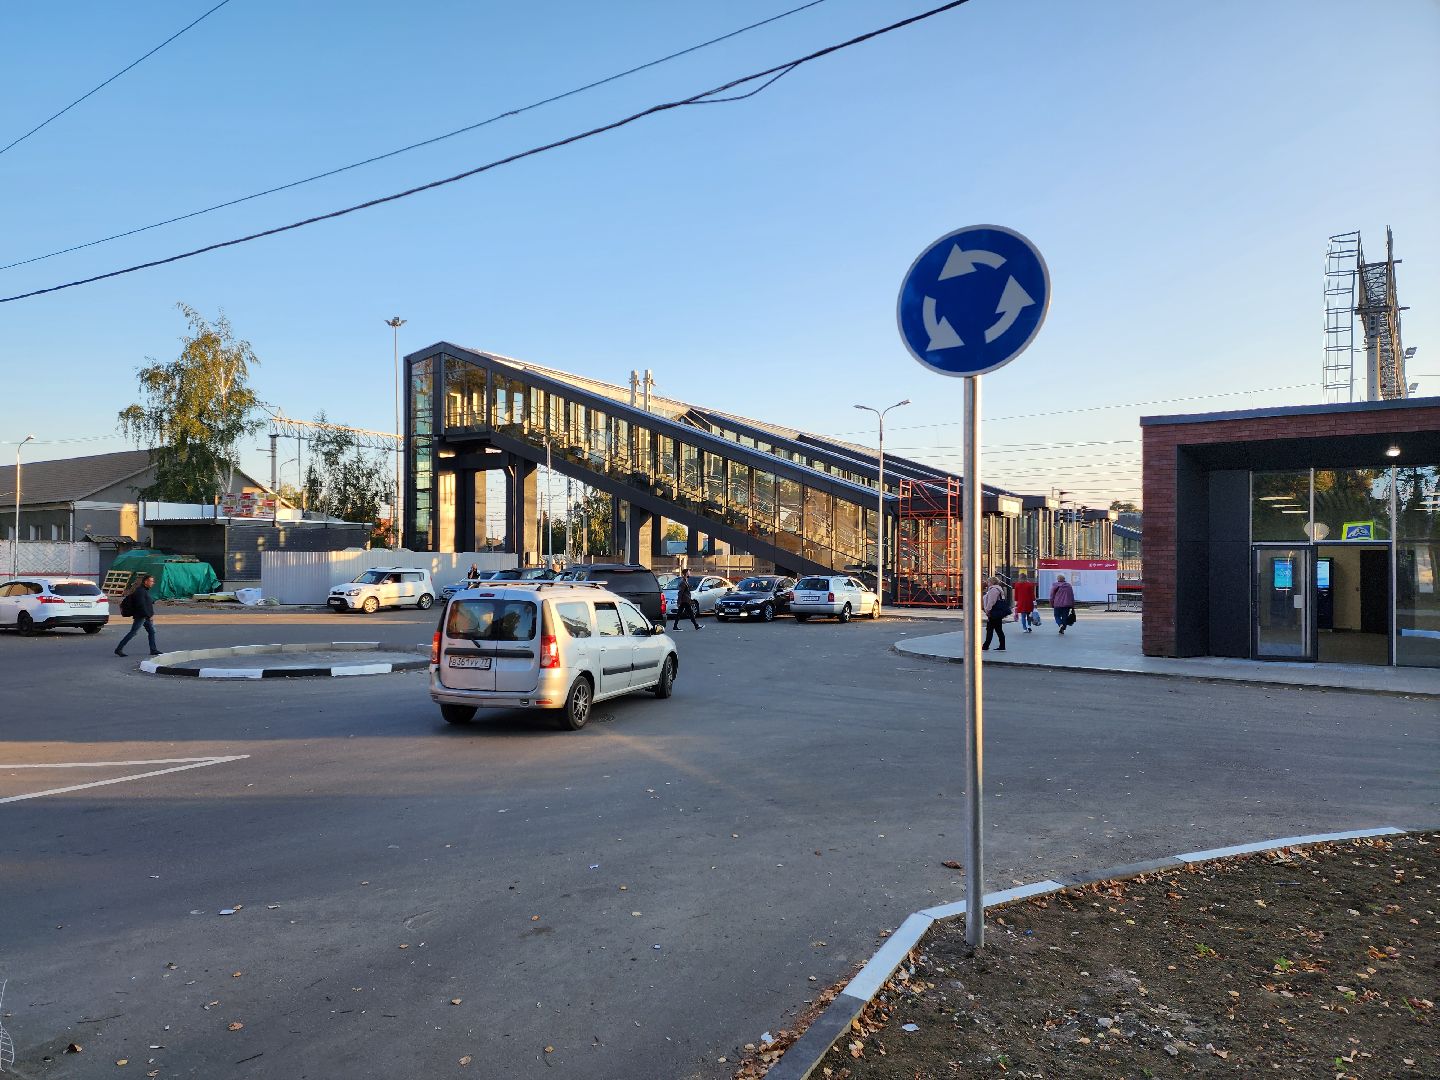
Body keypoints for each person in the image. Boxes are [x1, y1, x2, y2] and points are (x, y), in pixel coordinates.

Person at [115, 574, 161, 656]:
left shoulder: (144, 590)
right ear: (146, 581)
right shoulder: (140, 591)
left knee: (151, 631)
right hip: (141, 616)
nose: (153, 583)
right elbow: (140, 605)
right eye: (151, 581)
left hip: (145, 616)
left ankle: (153, 650)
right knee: (133, 632)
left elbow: (146, 603)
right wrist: (148, 615)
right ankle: (119, 649)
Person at [980, 575, 1007, 652]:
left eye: (988, 582)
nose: (987, 583)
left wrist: (988, 610)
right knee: (997, 629)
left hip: (994, 612)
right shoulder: (998, 589)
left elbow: (991, 602)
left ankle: (986, 646)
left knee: (990, 629)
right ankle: (1001, 645)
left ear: (991, 582)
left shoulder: (993, 590)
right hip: (997, 612)